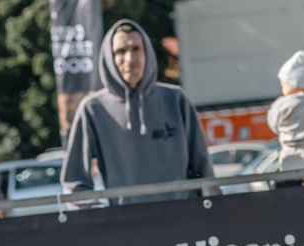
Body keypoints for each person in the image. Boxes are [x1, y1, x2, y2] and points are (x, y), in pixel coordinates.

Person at [61, 20, 213, 202]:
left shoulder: (175, 100)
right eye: (121, 51)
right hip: (126, 219)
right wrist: (100, 215)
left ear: (147, 52)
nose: (129, 58)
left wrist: (206, 210)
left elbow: (204, 172)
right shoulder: (93, 110)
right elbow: (75, 184)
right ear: (109, 57)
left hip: (182, 216)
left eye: (135, 49)